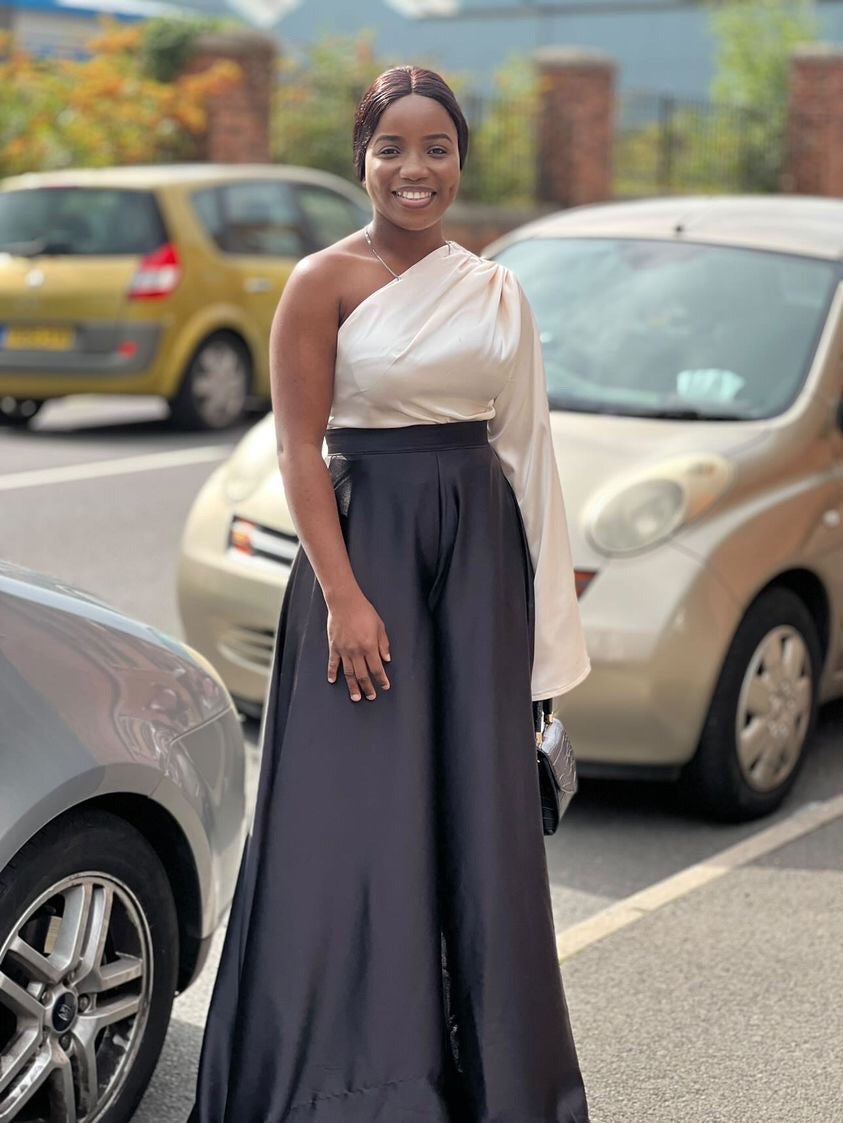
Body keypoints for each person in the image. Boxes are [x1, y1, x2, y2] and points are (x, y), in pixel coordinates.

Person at [187, 65, 591, 1123]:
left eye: (438, 149)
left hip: (478, 572)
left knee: (475, 822)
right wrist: (346, 598)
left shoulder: (496, 286)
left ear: (461, 160)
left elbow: (529, 456)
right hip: (363, 563)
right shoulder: (320, 281)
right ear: (362, 158)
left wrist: (545, 645)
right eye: (392, 148)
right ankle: (338, 1085)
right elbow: (298, 450)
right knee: (348, 825)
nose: (416, 169)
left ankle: (490, 1080)